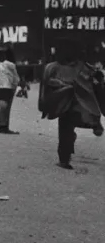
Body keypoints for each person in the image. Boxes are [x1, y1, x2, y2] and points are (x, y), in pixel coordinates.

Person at [39, 39, 104, 170]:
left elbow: (95, 85)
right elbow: (45, 86)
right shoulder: (55, 67)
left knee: (65, 130)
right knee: (67, 129)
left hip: (76, 106)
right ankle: (65, 156)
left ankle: (64, 158)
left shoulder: (80, 67)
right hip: (70, 106)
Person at [0, 46, 21, 134]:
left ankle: (1, 125)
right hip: (8, 88)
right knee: (7, 109)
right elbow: (16, 79)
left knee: (0, 108)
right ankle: (5, 126)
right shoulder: (12, 65)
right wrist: (14, 88)